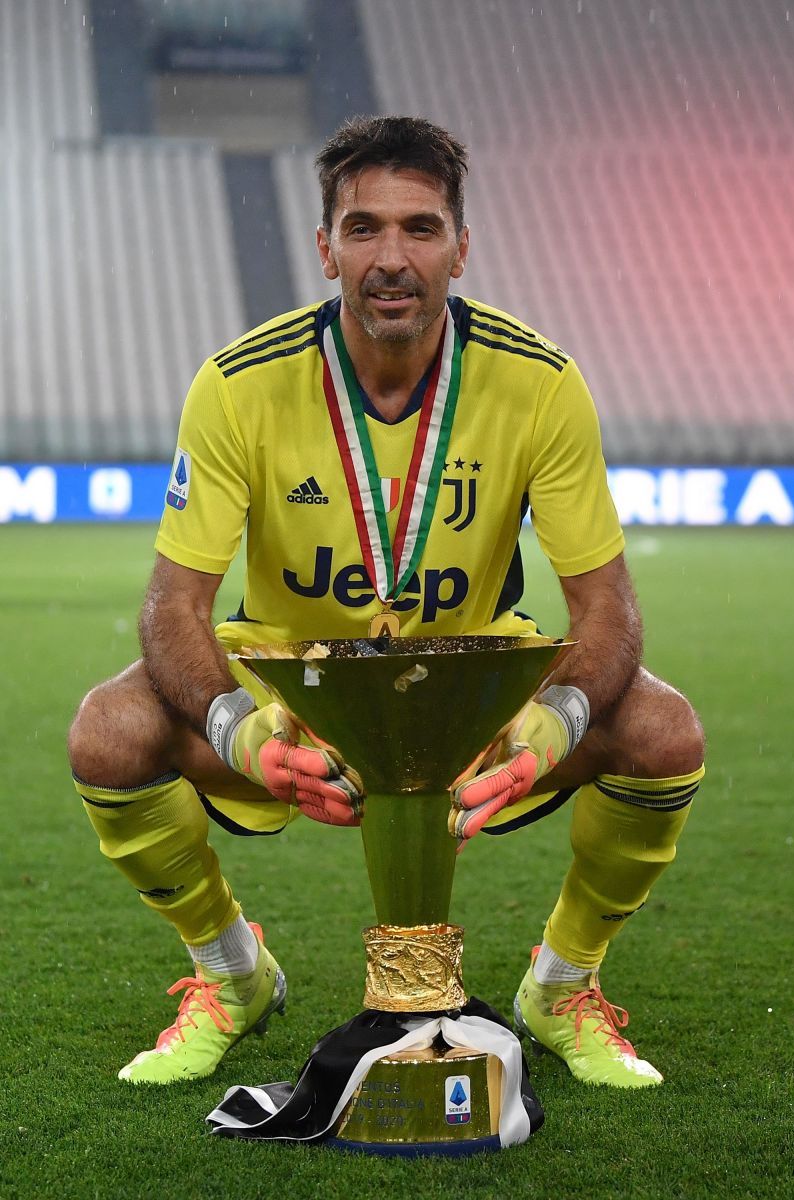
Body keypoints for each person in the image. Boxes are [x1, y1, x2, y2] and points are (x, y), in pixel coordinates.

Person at [68, 115, 704, 1090]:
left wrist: (548, 722)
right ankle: (231, 974)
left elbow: (606, 607)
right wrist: (243, 732)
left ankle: (561, 984)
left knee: (663, 730)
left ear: (461, 245)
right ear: (324, 248)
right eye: (362, 228)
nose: (391, 258)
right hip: (300, 685)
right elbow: (171, 608)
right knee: (107, 730)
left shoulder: (538, 381)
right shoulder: (239, 384)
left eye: (419, 227)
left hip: (471, 689)